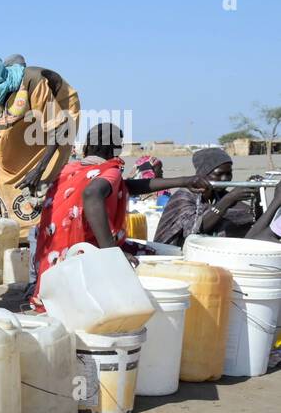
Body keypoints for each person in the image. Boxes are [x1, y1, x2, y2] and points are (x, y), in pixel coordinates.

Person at [33, 124, 205, 293]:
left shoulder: (69, 170)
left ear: (87, 145)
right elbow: (92, 194)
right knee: (155, 259)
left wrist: (183, 181)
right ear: (116, 149)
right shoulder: (110, 171)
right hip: (83, 257)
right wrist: (112, 253)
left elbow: (125, 186)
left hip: (52, 268)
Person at [0, 55, 80, 232]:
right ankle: (16, 229)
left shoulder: (33, 82)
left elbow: (59, 129)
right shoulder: (0, 94)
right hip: (32, 117)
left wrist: (38, 170)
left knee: (43, 176)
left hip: (61, 117)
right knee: (7, 155)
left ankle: (37, 232)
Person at [153, 147, 259, 246]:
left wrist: (257, 194)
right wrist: (229, 199)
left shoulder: (218, 194)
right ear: (203, 174)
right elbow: (195, 229)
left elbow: (252, 216)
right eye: (219, 174)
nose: (225, 179)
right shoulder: (184, 196)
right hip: (171, 252)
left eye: (228, 174)